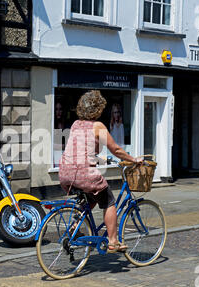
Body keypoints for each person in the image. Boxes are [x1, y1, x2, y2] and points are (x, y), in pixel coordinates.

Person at [59, 90, 142, 253]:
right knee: (109, 200)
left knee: (91, 198)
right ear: (97, 109)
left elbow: (85, 148)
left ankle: (74, 228)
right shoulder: (98, 126)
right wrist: (134, 160)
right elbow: (116, 149)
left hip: (65, 173)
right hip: (83, 174)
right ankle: (113, 241)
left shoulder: (76, 124)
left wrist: (97, 158)